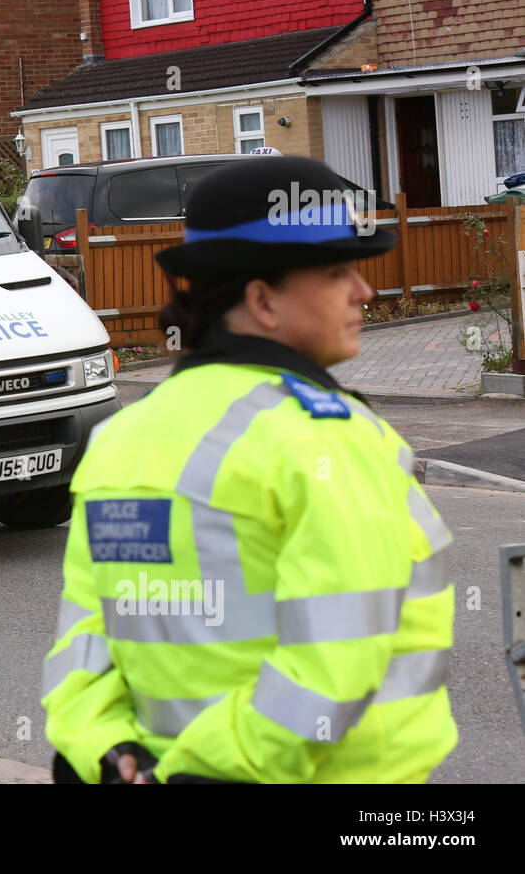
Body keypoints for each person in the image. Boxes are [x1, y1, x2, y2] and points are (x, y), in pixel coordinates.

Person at [42, 156, 456, 783]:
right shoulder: (323, 438)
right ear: (262, 299)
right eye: (338, 271)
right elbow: (334, 660)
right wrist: (206, 770)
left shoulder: (123, 437)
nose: (364, 292)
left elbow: (89, 635)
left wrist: (101, 748)